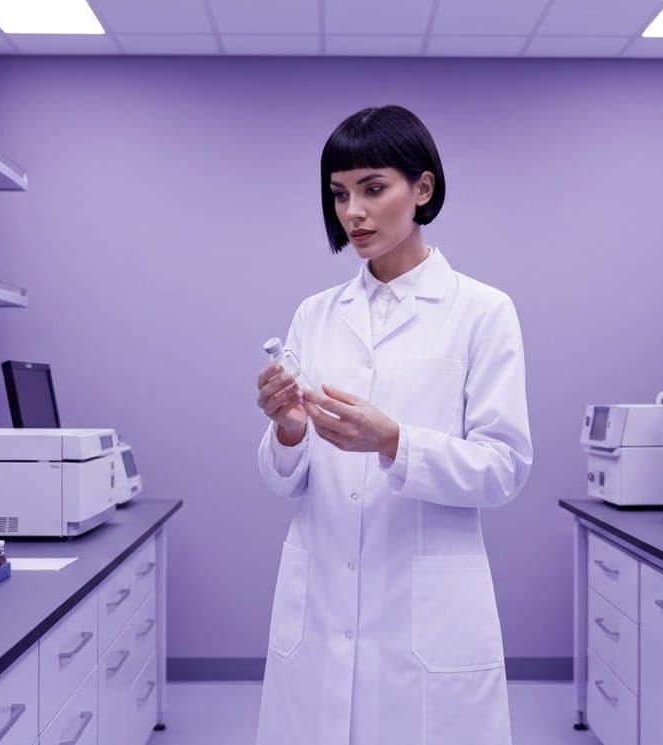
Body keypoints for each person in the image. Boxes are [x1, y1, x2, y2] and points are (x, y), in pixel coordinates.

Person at [253, 105, 533, 745]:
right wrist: (288, 430)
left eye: (373, 188)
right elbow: (283, 482)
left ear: (423, 188)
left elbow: (505, 467)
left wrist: (395, 443)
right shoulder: (315, 316)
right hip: (320, 607)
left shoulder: (482, 311)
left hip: (425, 617)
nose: (353, 211)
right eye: (340, 194)